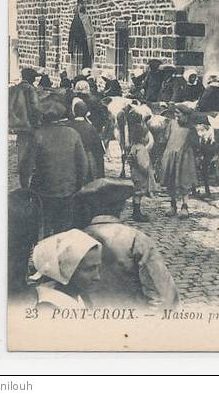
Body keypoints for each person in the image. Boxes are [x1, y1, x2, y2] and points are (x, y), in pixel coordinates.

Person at [78, 178, 179, 308]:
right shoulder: (136, 239)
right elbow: (165, 296)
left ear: (89, 206)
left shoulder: (75, 240)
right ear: (121, 207)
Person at [28, 102, 89, 235]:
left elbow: (26, 167)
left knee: (45, 225)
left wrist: (26, 190)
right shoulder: (73, 134)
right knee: (63, 227)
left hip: (43, 190)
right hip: (67, 189)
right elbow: (83, 164)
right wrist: (78, 186)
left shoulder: (37, 135)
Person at [30, 229, 102, 311]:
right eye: (89, 269)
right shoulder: (48, 308)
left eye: (97, 268)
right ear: (65, 270)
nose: (97, 277)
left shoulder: (82, 299)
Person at [161, 104, 199, 218]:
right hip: (170, 155)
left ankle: (184, 206)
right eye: (175, 114)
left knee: (184, 182)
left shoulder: (191, 128)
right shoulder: (172, 124)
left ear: (185, 116)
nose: (176, 116)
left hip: (185, 158)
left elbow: (196, 144)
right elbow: (166, 138)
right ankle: (172, 205)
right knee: (170, 180)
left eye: (179, 114)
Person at [9, 67, 42, 187]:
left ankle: (20, 165)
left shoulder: (14, 89)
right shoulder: (30, 89)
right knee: (31, 144)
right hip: (29, 123)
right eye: (34, 77)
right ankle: (29, 166)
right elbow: (35, 107)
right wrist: (39, 120)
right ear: (30, 78)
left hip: (18, 123)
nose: (35, 79)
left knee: (21, 144)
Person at [127, 113, 157, 222]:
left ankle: (136, 211)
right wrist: (147, 170)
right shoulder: (141, 149)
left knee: (137, 192)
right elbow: (142, 163)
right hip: (140, 174)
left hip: (134, 173)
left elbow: (130, 159)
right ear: (142, 137)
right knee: (139, 193)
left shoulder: (134, 147)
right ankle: (137, 213)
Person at [68, 99, 105, 179]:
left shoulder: (68, 126)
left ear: (74, 112)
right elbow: (99, 152)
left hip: (71, 165)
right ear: (86, 113)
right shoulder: (91, 128)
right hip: (86, 165)